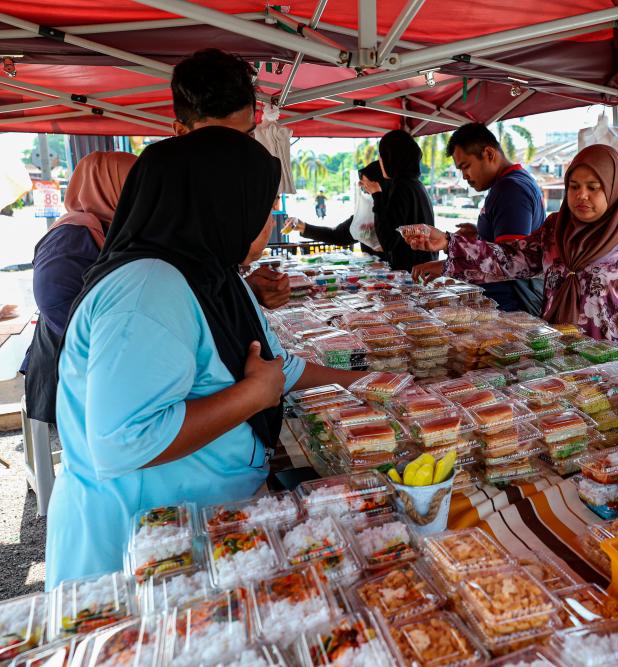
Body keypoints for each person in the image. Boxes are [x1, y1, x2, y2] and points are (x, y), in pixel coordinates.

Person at [45, 127, 370, 588]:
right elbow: (123, 441)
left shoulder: (211, 271)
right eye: (259, 208)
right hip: (140, 547)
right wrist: (253, 397)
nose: (270, 224)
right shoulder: (147, 289)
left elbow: (273, 364)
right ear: (218, 206)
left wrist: (366, 382)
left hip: (201, 528)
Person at [405, 144, 618, 345]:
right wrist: (447, 243)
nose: (582, 195)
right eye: (574, 186)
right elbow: (510, 259)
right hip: (561, 353)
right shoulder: (558, 226)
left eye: (593, 188)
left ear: (614, 186)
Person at [20, 152, 137, 429]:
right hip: (71, 374)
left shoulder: (114, 230)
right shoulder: (69, 238)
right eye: (134, 185)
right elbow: (56, 304)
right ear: (107, 187)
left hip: (107, 367)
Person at [171, 47, 290, 310]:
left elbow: (212, 284)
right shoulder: (170, 218)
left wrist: (244, 291)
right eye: (218, 140)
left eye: (246, 136)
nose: (238, 154)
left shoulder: (238, 201)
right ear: (180, 132)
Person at [411, 123, 545, 314]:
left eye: (466, 166)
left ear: (489, 154)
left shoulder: (510, 190)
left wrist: (447, 257)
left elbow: (507, 262)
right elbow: (509, 247)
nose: (464, 176)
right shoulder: (517, 182)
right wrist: (480, 234)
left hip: (511, 306)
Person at [286, 162, 386, 257]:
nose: (366, 192)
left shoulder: (396, 211)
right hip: (375, 272)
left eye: (368, 187)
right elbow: (337, 235)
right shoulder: (364, 217)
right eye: (364, 189)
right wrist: (303, 226)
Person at [373, 130, 438, 272]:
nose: (380, 162)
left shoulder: (401, 187)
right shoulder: (416, 184)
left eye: (381, 156)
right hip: (423, 271)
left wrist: (376, 194)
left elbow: (387, 241)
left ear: (390, 158)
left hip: (411, 276)